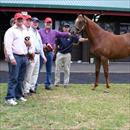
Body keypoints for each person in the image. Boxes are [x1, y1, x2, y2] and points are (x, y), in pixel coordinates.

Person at [4, 12, 32, 105]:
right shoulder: (10, 31)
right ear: (15, 20)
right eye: (18, 19)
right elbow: (8, 46)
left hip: (24, 56)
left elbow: (28, 41)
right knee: (13, 78)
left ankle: (18, 95)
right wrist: (11, 58)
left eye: (21, 19)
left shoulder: (25, 30)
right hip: (15, 56)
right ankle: (9, 98)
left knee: (21, 78)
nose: (20, 20)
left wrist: (29, 45)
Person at [39, 17, 70, 90]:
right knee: (37, 70)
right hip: (41, 53)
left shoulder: (54, 32)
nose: (48, 24)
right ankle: (34, 85)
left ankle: (48, 84)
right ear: (44, 23)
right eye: (47, 23)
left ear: (51, 24)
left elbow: (62, 34)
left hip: (49, 53)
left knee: (49, 70)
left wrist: (69, 34)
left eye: (50, 23)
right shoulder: (40, 31)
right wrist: (42, 45)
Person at [54, 23, 87, 87]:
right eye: (65, 27)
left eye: (67, 27)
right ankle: (56, 83)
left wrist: (87, 39)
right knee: (57, 69)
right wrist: (54, 53)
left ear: (69, 29)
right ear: (63, 28)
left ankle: (66, 83)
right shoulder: (59, 35)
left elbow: (79, 39)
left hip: (67, 55)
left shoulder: (72, 36)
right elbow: (56, 45)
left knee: (67, 69)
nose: (66, 28)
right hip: (60, 54)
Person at [23, 17, 47, 97]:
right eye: (34, 22)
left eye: (37, 22)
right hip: (31, 54)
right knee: (29, 73)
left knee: (35, 73)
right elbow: (27, 44)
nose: (35, 23)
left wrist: (43, 56)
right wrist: (30, 54)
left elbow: (40, 46)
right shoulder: (28, 31)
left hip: (38, 55)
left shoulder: (37, 32)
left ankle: (31, 88)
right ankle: (26, 90)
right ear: (31, 23)